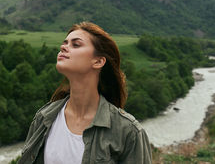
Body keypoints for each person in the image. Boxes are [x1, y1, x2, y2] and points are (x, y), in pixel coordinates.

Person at [18, 22, 152, 164]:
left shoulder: (128, 132)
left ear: (98, 61)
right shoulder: (43, 118)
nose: (63, 47)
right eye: (65, 43)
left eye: (75, 44)